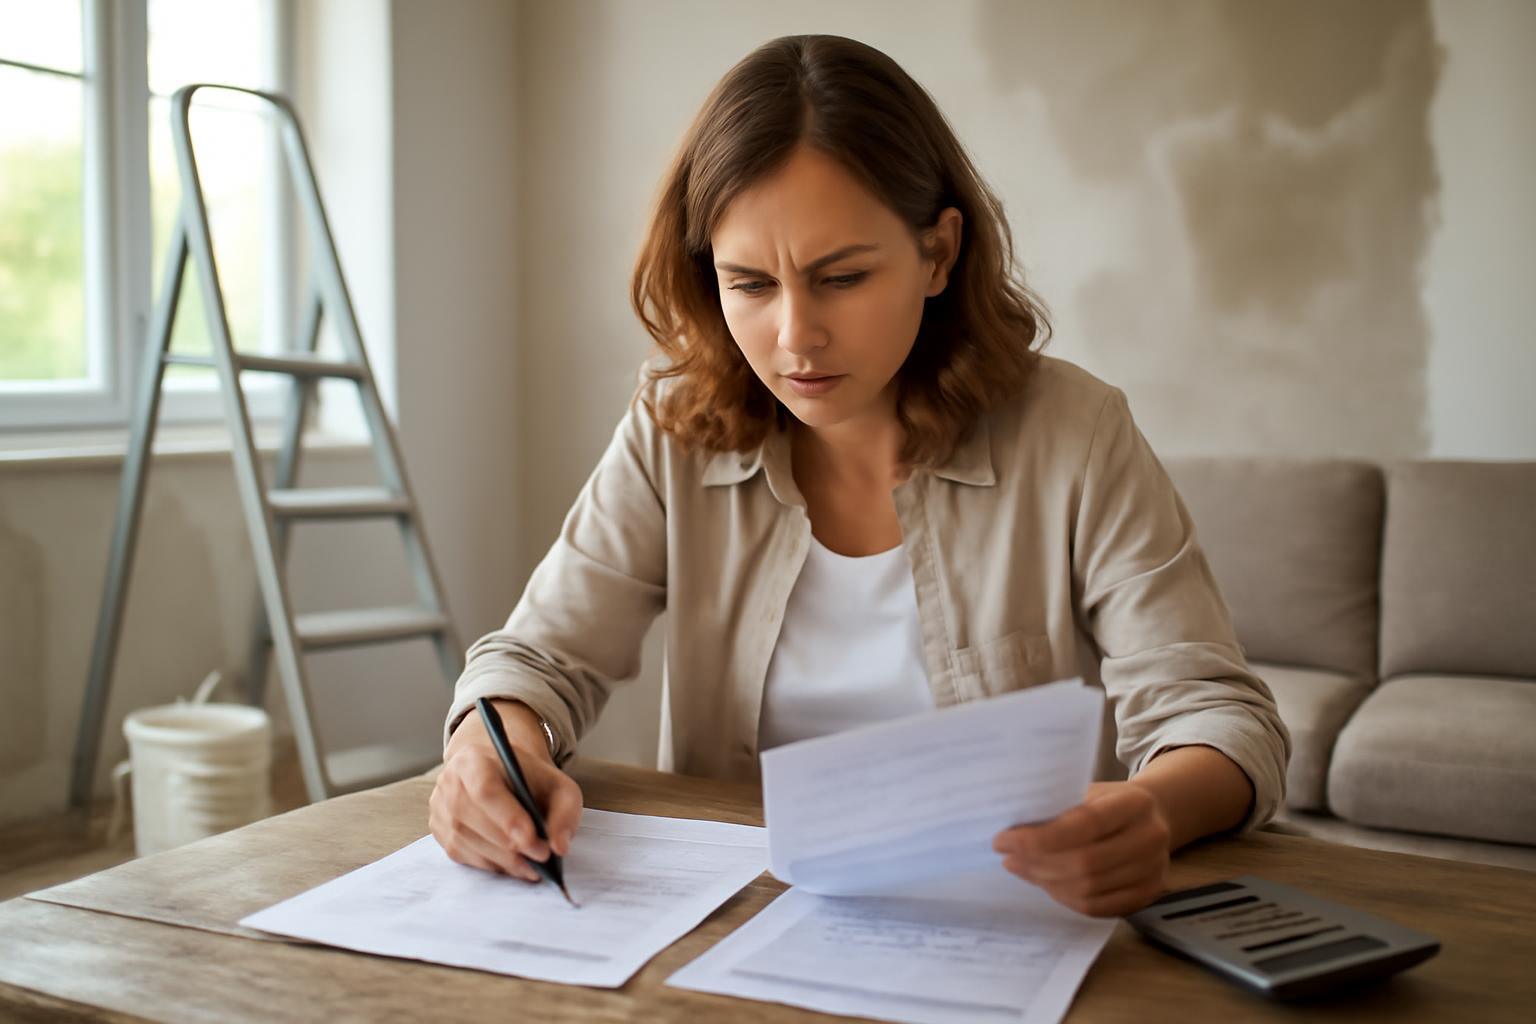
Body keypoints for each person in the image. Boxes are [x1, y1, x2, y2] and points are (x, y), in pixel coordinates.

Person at [429, 34, 1289, 919]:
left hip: (1005, 923)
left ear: (940, 253)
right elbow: (538, 659)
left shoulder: (1076, 433)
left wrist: (1150, 809)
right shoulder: (674, 432)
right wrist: (487, 756)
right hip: (747, 925)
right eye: (750, 284)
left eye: (841, 277)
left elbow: (1219, 718)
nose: (795, 337)